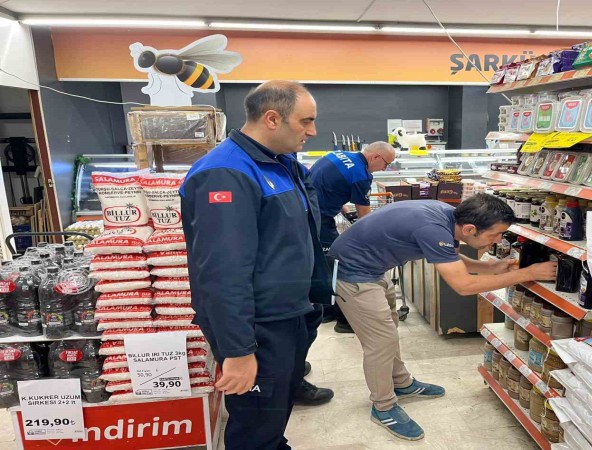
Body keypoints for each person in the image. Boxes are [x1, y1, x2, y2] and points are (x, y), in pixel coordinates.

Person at [328, 194, 557, 441]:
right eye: (495, 234)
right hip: (353, 274)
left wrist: (489, 268)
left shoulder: (450, 218)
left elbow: (449, 256)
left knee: (389, 332)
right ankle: (383, 407)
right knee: (380, 342)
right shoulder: (433, 228)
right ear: (470, 229)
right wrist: (527, 273)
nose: (499, 240)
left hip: (373, 268)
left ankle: (401, 383)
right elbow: (464, 285)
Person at [180, 80, 333, 450]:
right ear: (272, 119)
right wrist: (238, 351)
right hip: (259, 326)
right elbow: (222, 272)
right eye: (306, 121)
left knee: (274, 412)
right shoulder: (226, 173)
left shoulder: (281, 162)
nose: (312, 131)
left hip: (289, 314)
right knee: (256, 424)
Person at [308, 141, 396, 334]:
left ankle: (327, 310)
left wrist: (342, 206)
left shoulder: (340, 154)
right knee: (337, 264)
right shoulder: (361, 175)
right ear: (375, 157)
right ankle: (343, 320)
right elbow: (365, 216)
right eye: (386, 164)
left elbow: (326, 182)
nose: (384, 169)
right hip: (318, 218)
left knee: (323, 262)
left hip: (308, 208)